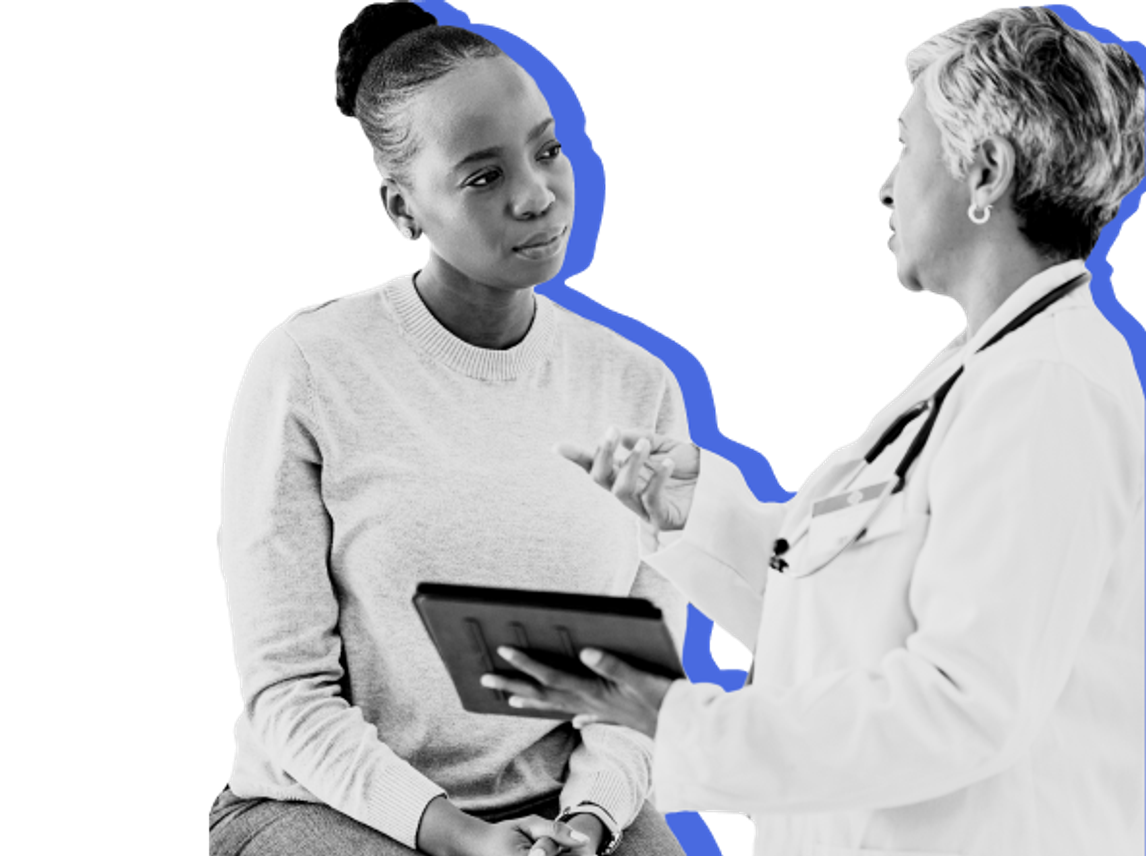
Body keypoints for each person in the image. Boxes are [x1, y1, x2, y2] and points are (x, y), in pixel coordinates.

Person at [481, 8, 1146, 855]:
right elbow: (847, 630)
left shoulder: (1048, 392)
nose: (887, 184)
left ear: (986, 172)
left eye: (907, 147)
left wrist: (680, 717)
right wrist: (696, 512)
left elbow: (965, 706)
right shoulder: (983, 374)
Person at [208, 3, 691, 855]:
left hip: (563, 803)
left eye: (547, 150)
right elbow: (286, 692)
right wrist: (455, 835)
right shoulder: (310, 367)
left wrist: (591, 817)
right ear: (401, 207)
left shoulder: (635, 384)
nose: (537, 195)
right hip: (331, 805)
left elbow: (639, 683)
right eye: (482, 176)